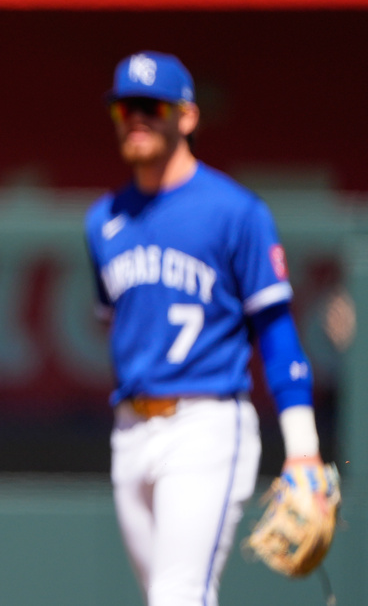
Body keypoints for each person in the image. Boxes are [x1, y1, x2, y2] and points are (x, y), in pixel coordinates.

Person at [83, 51, 334, 606]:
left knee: (178, 595)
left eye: (152, 107)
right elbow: (117, 326)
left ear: (188, 117)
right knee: (172, 595)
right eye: (125, 108)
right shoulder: (103, 220)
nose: (136, 119)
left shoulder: (236, 211)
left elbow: (276, 330)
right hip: (130, 429)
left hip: (206, 423)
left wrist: (303, 449)